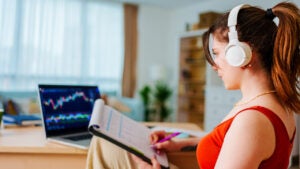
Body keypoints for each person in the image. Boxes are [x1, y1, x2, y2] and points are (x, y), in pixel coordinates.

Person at [86, 2, 300, 169]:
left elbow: (244, 138)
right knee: (105, 144)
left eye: (216, 53)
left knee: (102, 146)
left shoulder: (253, 120)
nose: (215, 65)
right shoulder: (270, 102)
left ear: (241, 54)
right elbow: (233, 144)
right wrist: (183, 142)